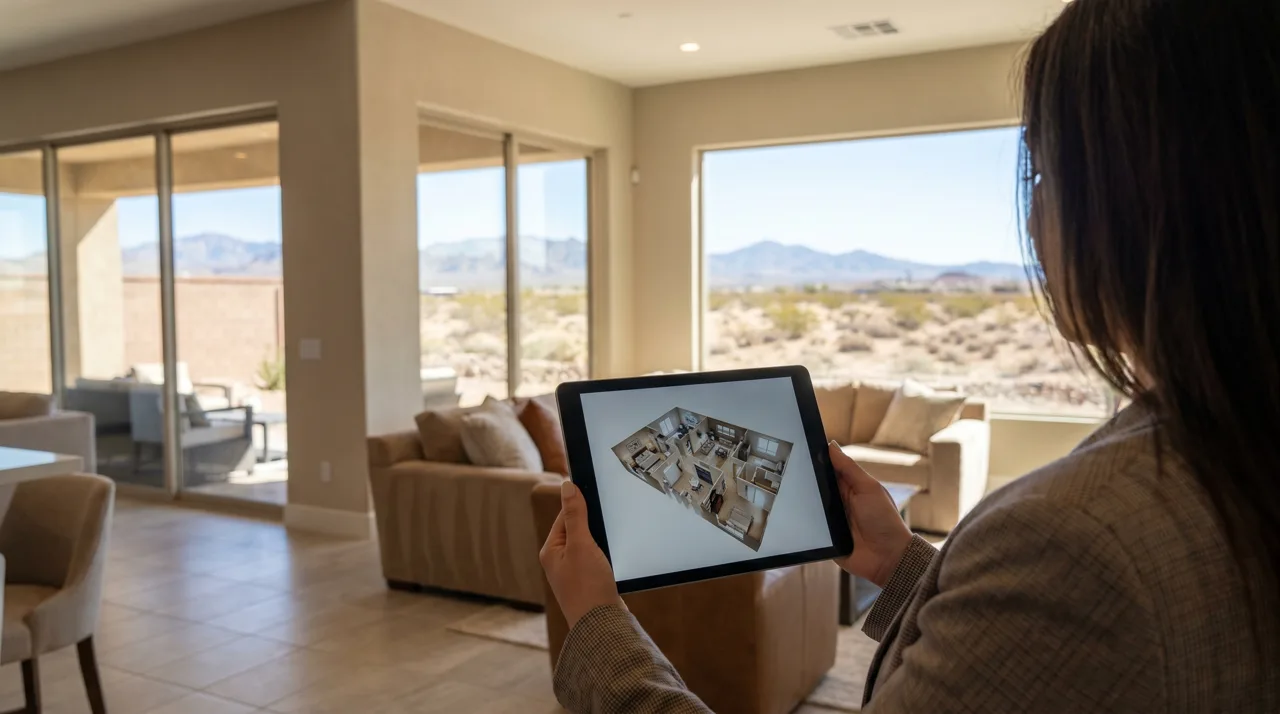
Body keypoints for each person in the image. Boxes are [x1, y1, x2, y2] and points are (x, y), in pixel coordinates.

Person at [539, 0, 1280, 711]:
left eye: (1045, 173)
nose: (1034, 212)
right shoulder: (1232, 446)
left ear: (1140, 197)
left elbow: (1063, 616)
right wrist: (903, 571)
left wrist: (600, 625)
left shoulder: (1076, 540)